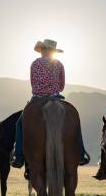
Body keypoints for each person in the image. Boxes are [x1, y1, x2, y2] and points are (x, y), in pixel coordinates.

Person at [12, 39, 90, 174]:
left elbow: (32, 83)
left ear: (43, 50)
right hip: (56, 97)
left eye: (43, 49)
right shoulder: (59, 64)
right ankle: (81, 153)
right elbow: (61, 85)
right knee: (75, 121)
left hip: (37, 98)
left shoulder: (35, 64)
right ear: (53, 51)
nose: (42, 51)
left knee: (19, 125)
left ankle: (18, 157)